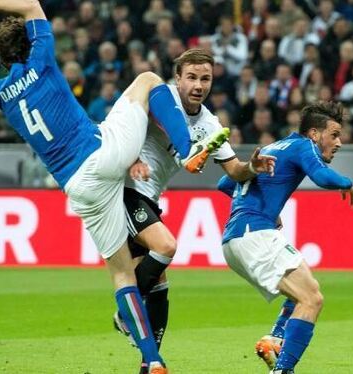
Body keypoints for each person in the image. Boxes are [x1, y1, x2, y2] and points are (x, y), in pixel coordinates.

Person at [0, 1, 227, 372]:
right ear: (30, 42)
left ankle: (152, 362)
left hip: (77, 186)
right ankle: (188, 149)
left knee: (121, 274)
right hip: (103, 153)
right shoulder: (41, 58)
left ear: (3, 58)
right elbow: (31, 5)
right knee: (148, 81)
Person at [113, 48, 276, 374]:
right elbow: (120, 128)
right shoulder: (158, 99)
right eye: (191, 77)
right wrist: (132, 159)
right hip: (125, 190)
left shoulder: (210, 125)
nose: (198, 85)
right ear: (177, 79)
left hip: (149, 198)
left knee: (159, 282)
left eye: (205, 79)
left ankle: (150, 361)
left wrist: (253, 168)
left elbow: (234, 171)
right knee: (166, 246)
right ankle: (124, 314)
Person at [217, 101, 353, 374]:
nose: (339, 142)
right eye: (334, 134)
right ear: (315, 134)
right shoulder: (303, 146)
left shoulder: (275, 146)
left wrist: (268, 206)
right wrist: (348, 183)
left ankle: (274, 340)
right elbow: (320, 176)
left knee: (302, 290)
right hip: (255, 233)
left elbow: (225, 183)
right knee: (312, 299)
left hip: (234, 239)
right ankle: (282, 370)